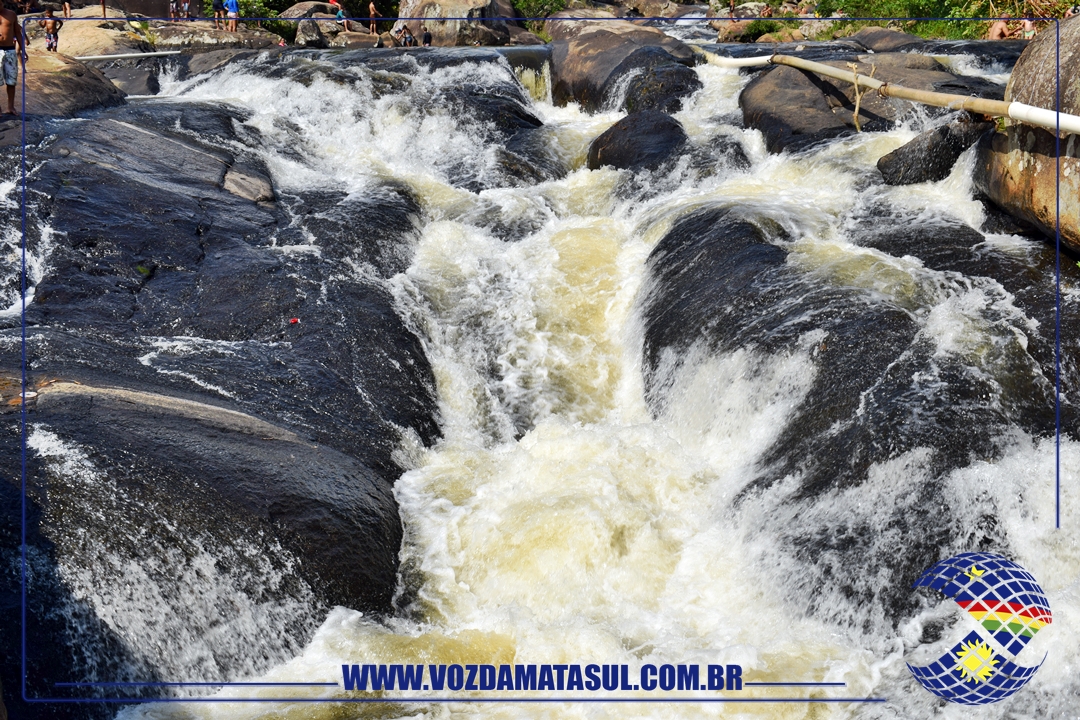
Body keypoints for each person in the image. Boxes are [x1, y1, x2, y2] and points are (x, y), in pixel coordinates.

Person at [0, 3, 26, 116]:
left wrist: (23, 50)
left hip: (10, 50)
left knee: (11, 80)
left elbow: (17, 33)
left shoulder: (11, 14)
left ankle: (10, 107)